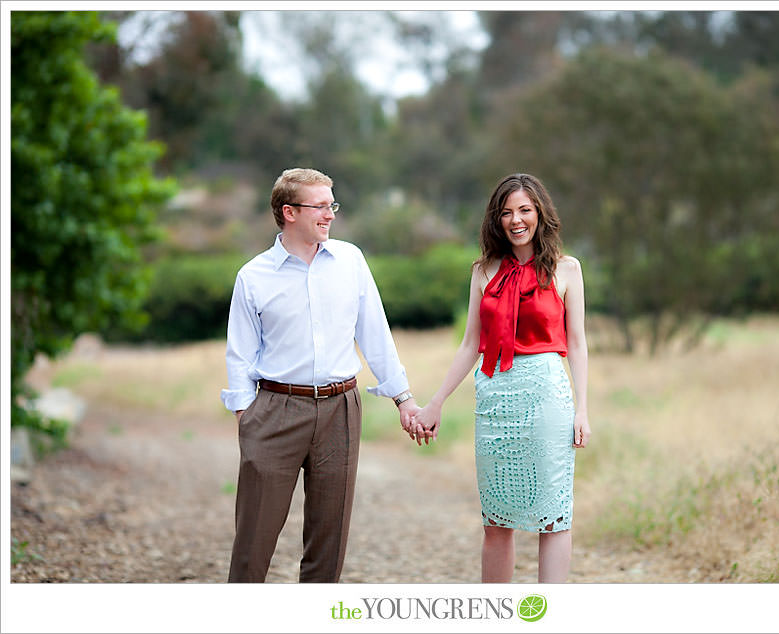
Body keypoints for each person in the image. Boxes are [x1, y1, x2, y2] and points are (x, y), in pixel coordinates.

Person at [221, 167, 418, 583]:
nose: (330, 215)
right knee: (253, 542)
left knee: (328, 544)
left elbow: (375, 333)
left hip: (340, 410)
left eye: (333, 205)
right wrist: (246, 415)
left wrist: (403, 398)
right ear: (289, 212)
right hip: (274, 410)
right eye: (321, 206)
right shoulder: (253, 276)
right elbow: (240, 352)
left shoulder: (351, 261)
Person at [409, 173, 590, 583]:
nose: (516, 220)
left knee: (553, 513)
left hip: (546, 395)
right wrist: (436, 402)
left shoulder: (568, 269)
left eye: (525, 210)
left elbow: (577, 344)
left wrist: (582, 409)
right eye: (507, 212)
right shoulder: (483, 270)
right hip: (494, 397)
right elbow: (471, 343)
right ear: (497, 219)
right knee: (496, 518)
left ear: (541, 214)